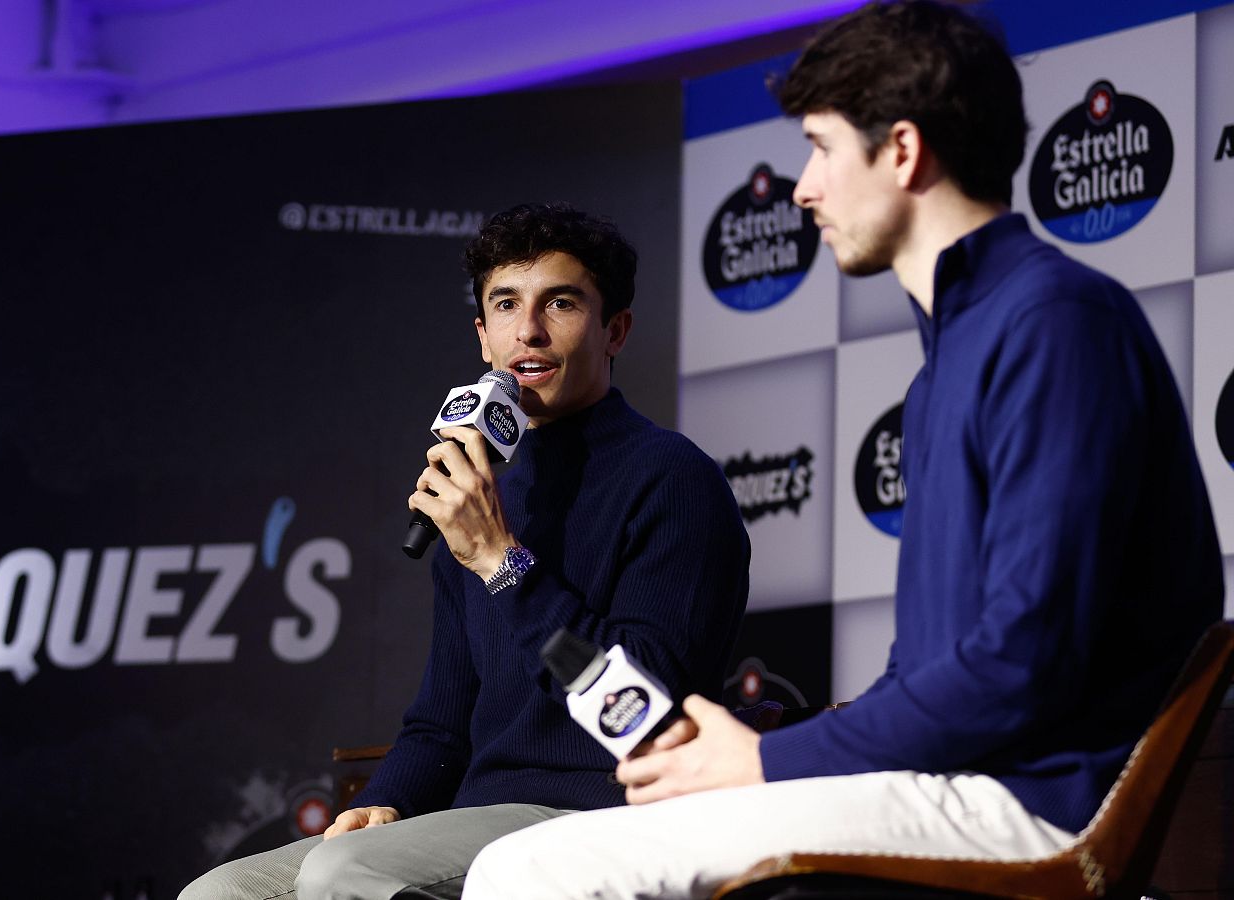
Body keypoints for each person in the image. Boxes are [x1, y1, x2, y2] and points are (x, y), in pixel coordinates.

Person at [463, 4, 1226, 898]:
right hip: (953, 779)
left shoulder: (1052, 323)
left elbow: (1022, 664)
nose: (802, 189)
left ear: (901, 152)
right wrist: (780, 750)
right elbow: (936, 668)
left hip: (1024, 803)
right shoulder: (960, 351)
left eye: (822, 148)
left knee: (533, 867)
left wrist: (770, 759)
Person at [178, 202, 750, 900]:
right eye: (506, 304)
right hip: (476, 819)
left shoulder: (673, 480)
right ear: (483, 338)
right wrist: (384, 801)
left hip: (603, 813)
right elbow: (440, 722)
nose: (529, 330)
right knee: (219, 893)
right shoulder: (475, 485)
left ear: (616, 330)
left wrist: (503, 564)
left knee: (346, 874)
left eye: (561, 303)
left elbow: (637, 713)